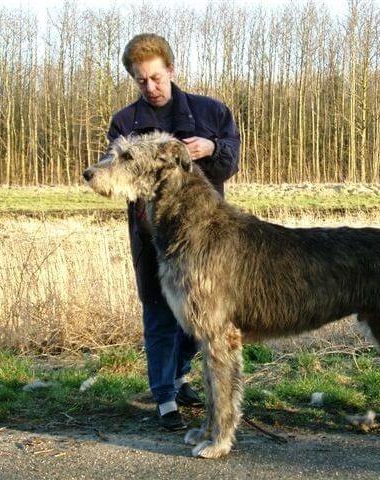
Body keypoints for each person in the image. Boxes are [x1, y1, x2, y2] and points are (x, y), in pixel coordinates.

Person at [106, 33, 240, 430]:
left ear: (172, 71)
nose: (151, 88)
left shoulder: (210, 111)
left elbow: (230, 163)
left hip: (206, 235)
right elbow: (117, 173)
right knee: (159, 310)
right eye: (141, 81)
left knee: (197, 315)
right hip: (153, 234)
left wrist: (212, 148)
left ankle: (181, 379)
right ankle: (164, 396)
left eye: (156, 78)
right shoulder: (125, 122)